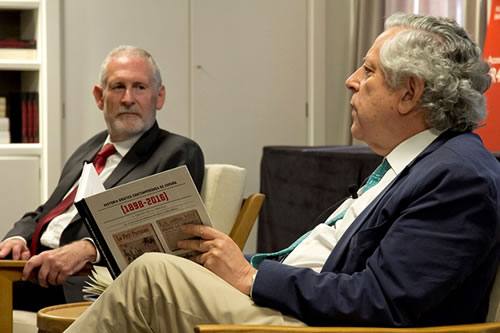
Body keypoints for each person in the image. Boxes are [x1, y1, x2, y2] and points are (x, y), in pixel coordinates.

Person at [66, 13, 500, 332]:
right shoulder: (412, 165)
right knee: (155, 269)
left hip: (321, 326)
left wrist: (249, 277)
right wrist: (239, 267)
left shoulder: (458, 176)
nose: (351, 80)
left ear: (409, 93)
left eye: (368, 71)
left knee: (153, 276)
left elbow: (383, 302)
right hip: (299, 309)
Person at [0, 45, 205, 311]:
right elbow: (47, 211)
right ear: (100, 97)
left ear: (159, 96)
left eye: (140, 87)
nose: (128, 98)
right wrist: (17, 239)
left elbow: (162, 233)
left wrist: (87, 248)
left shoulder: (177, 152)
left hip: (83, 284)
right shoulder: (90, 148)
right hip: (30, 269)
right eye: (118, 86)